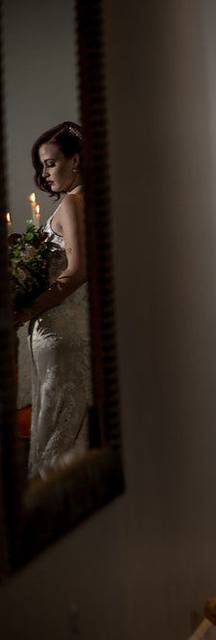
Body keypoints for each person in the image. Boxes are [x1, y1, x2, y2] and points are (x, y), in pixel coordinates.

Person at [16, 122, 92, 479]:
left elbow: (77, 271)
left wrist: (28, 308)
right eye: (41, 166)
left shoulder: (73, 204)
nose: (44, 174)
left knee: (56, 438)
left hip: (59, 334)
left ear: (75, 160)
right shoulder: (93, 202)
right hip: (73, 331)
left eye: (50, 163)